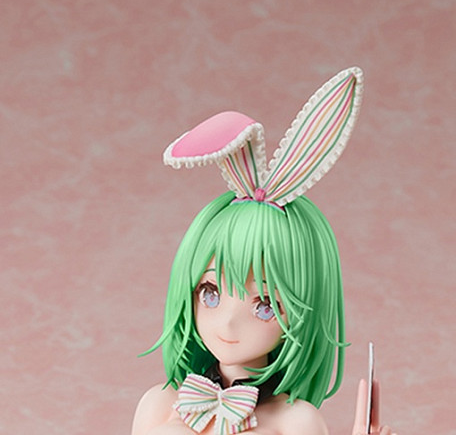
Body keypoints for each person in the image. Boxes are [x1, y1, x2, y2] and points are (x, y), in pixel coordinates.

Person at [132, 68, 396, 435]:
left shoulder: (297, 421)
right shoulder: (159, 404)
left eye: (265, 305)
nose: (228, 322)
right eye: (210, 293)